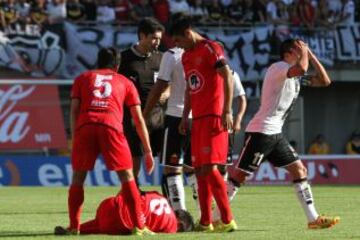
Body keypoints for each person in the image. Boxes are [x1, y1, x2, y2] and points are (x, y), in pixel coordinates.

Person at [228, 38, 340, 229]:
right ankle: (214, 215)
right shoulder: (278, 68)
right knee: (240, 176)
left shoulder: (295, 77)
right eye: (299, 49)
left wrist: (310, 55)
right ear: (290, 52)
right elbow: (302, 69)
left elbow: (325, 81)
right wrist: (305, 54)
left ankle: (313, 219)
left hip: (275, 134)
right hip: (261, 132)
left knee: (299, 170)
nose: (303, 51)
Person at [55, 47, 155, 236]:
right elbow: (138, 119)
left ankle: (74, 226)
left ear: (97, 62)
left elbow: (74, 110)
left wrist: (75, 138)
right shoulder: (125, 82)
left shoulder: (82, 78)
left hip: (86, 126)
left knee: (78, 177)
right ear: (117, 65)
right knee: (127, 177)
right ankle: (139, 226)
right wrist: (148, 150)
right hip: (111, 127)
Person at [170, 13, 237, 232]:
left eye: (178, 40)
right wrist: (184, 117)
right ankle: (206, 221)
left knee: (209, 168)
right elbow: (191, 88)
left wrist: (227, 110)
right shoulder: (186, 57)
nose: (177, 45)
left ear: (188, 33)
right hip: (197, 119)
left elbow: (226, 76)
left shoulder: (211, 48)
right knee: (198, 169)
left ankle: (227, 220)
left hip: (214, 116)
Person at [143, 46, 196, 212]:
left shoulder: (172, 55)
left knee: (172, 169)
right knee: (193, 169)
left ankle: (180, 216)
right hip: (199, 117)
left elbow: (160, 84)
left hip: (176, 116)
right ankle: (205, 217)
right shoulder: (202, 53)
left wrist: (144, 114)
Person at [118, 17, 165, 184]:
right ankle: (132, 193)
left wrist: (165, 94)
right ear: (142, 35)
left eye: (159, 39)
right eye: (154, 38)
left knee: (167, 158)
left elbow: (170, 83)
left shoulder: (162, 58)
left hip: (158, 115)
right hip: (133, 116)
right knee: (135, 157)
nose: (157, 42)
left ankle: (170, 196)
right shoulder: (124, 58)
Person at [55, 191, 194, 235]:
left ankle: (73, 229)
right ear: (180, 225)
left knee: (100, 223)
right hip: (121, 223)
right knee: (105, 227)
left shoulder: (160, 196)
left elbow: (136, 193)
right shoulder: (171, 226)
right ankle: (78, 230)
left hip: (109, 204)